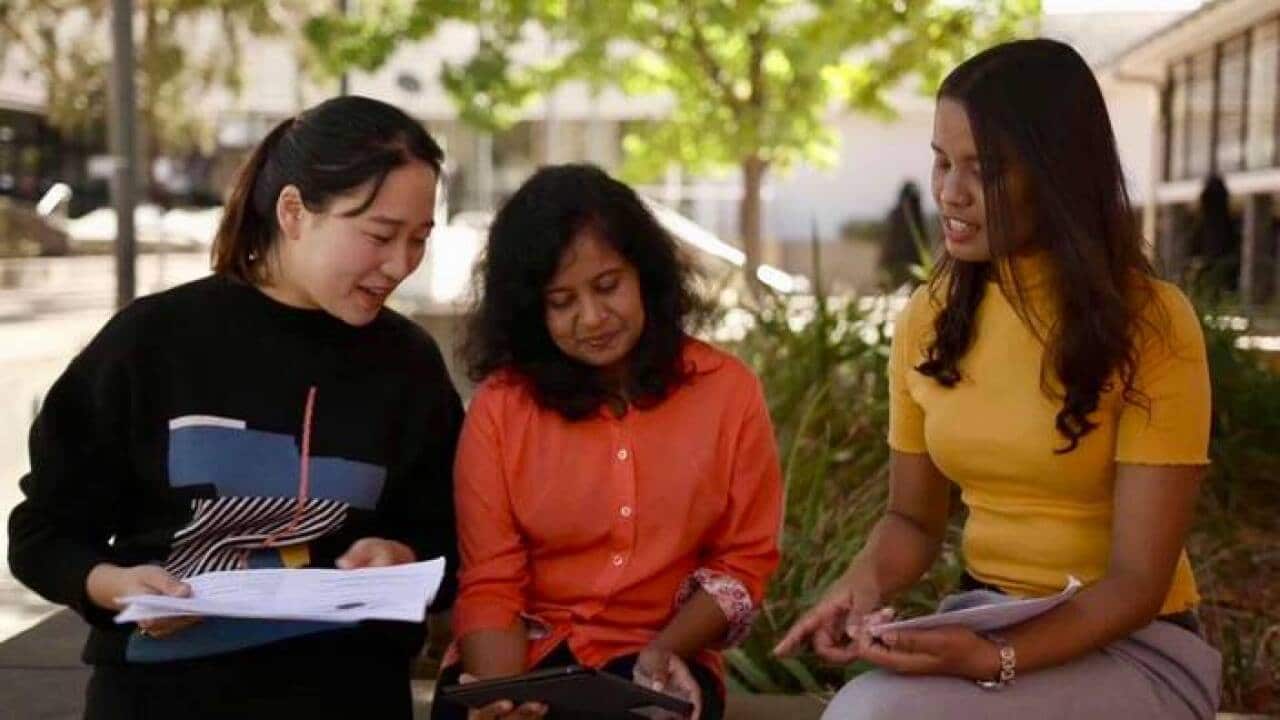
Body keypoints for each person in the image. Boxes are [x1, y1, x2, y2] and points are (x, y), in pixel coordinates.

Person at [774, 39, 1221, 720]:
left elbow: (1136, 582)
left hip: (1135, 646)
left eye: (983, 170)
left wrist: (994, 658)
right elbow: (911, 520)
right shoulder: (927, 319)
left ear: (1056, 174)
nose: (950, 193)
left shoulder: (1154, 324)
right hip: (985, 616)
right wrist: (855, 590)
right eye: (942, 161)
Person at [7, 95, 462, 719]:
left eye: (419, 240)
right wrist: (114, 586)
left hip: (348, 695)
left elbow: (452, 537)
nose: (401, 264)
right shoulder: (154, 341)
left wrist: (402, 556)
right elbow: (43, 534)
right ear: (293, 211)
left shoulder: (409, 363)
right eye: (380, 235)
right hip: (162, 699)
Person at [434, 164, 783, 720]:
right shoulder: (500, 409)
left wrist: (665, 655)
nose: (592, 318)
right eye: (561, 301)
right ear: (531, 310)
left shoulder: (728, 392)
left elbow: (742, 563)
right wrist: (502, 698)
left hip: (661, 655)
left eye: (607, 286)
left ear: (645, 273)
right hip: (520, 654)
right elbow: (491, 582)